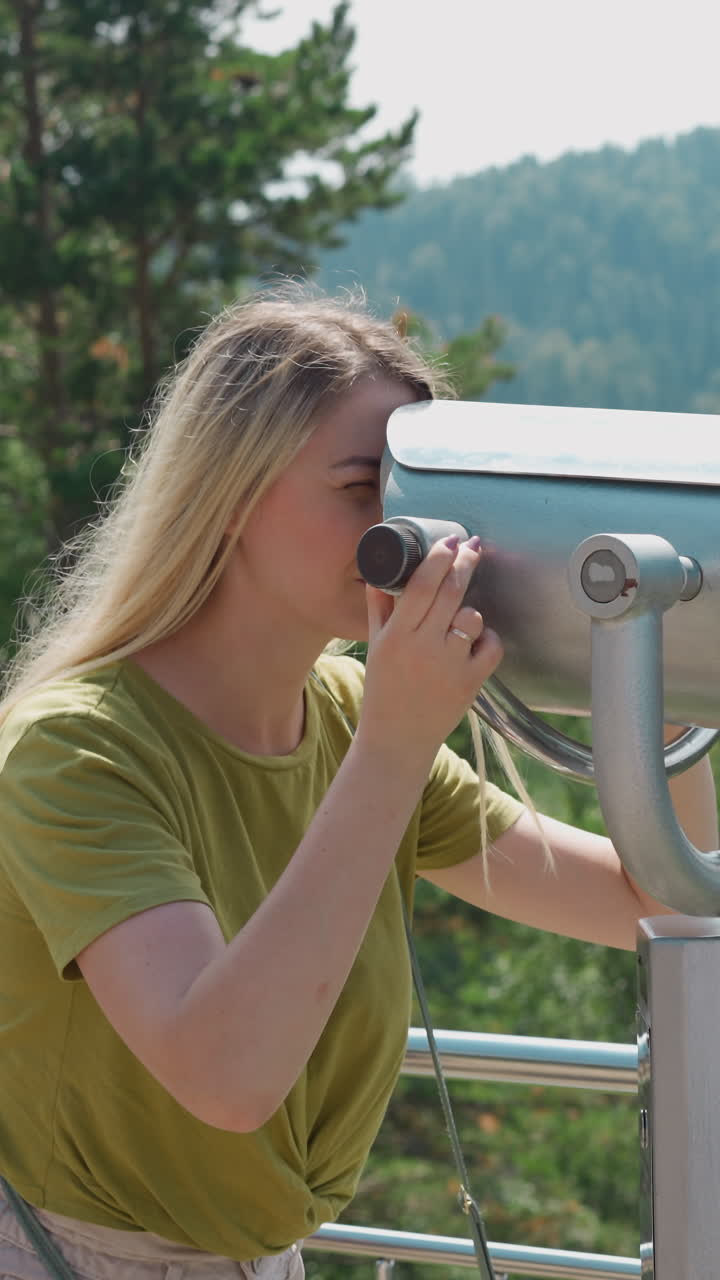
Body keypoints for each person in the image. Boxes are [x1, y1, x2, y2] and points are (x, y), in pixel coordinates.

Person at [0, 286, 716, 1280]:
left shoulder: (344, 711)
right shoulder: (76, 750)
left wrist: (661, 658)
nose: (413, 532)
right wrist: (394, 743)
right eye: (361, 484)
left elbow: (652, 896)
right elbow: (227, 1074)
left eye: (418, 489)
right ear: (232, 492)